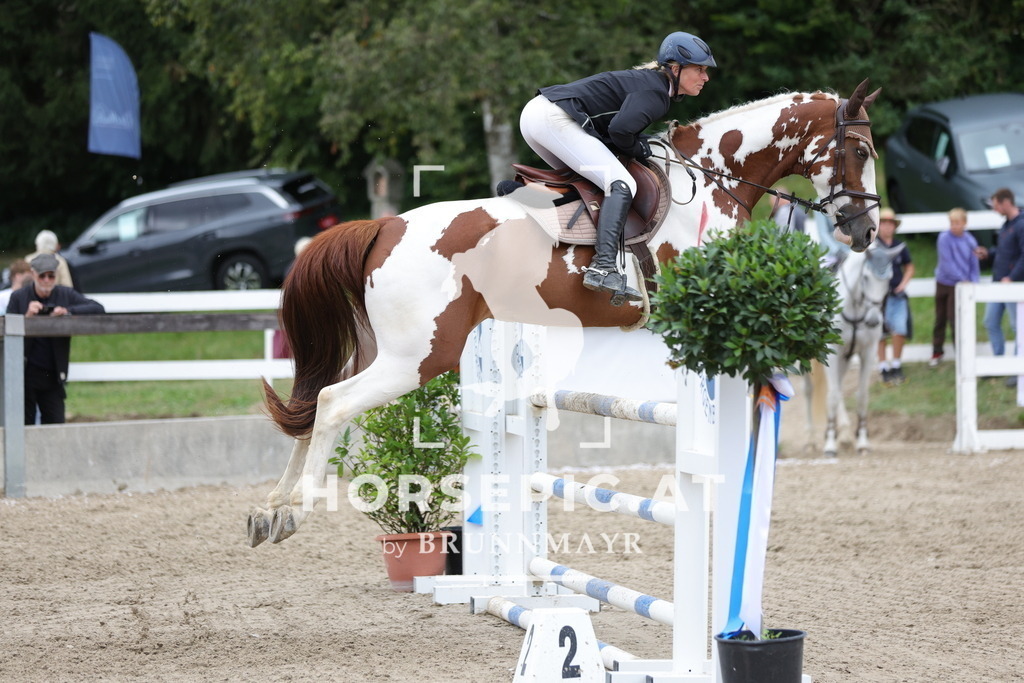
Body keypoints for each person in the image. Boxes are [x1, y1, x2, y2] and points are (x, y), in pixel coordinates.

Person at [520, 31, 715, 305]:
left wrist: (637, 143)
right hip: (553, 118)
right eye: (700, 69)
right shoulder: (657, 94)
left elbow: (617, 131)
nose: (705, 77)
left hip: (537, 115)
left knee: (587, 180)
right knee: (622, 184)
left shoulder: (653, 86)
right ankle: (603, 266)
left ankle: (521, 194)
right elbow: (621, 131)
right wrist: (639, 148)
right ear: (675, 68)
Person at [5, 253, 105, 424]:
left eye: (51, 276)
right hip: (25, 373)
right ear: (34, 275)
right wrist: (27, 318)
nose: (46, 280)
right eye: (42, 276)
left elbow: (98, 308)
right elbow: (7, 332)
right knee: (23, 426)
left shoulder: (65, 294)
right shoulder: (19, 297)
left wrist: (68, 312)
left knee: (56, 424)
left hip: (53, 375)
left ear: (56, 276)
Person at [931, 208, 983, 366]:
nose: (954, 226)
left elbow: (974, 262)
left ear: (964, 223)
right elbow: (947, 263)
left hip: (961, 286)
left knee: (955, 319)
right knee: (940, 319)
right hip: (944, 282)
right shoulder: (944, 238)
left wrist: (973, 280)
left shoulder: (970, 240)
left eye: (957, 223)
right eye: (952, 223)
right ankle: (937, 351)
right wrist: (963, 278)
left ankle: (961, 354)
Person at [982, 188, 1024, 371]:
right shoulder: (1006, 225)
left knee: (1018, 327)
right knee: (990, 321)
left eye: (996, 205)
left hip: (1012, 284)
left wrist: (1012, 277)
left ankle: (1016, 367)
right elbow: (1002, 251)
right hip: (998, 282)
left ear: (1006, 202)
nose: (994, 209)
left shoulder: (1021, 225)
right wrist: (987, 254)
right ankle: (999, 362)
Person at [876, 207, 915, 385]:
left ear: (894, 226)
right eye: (883, 223)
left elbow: (909, 266)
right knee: (880, 332)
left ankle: (897, 364)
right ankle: (883, 366)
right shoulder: (874, 246)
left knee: (899, 329)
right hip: (878, 296)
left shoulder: (900, 246)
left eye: (890, 223)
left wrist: (903, 283)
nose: (887, 227)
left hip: (896, 294)